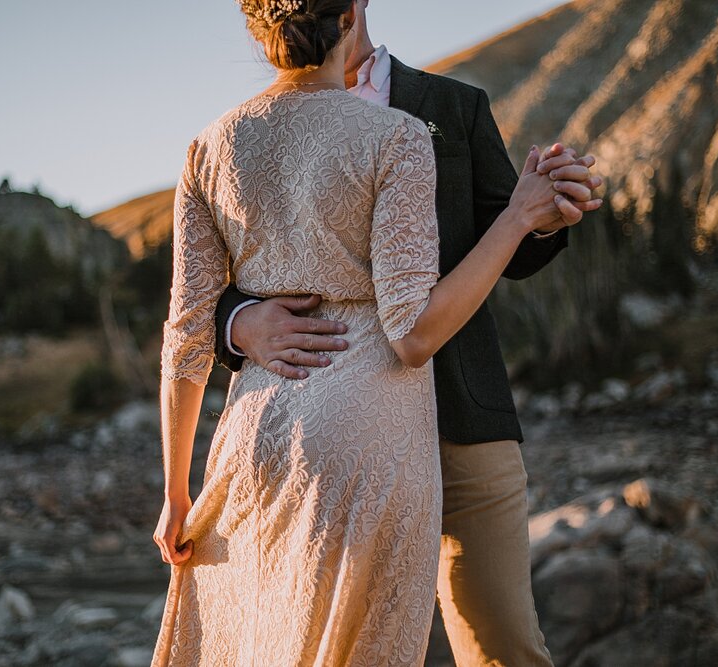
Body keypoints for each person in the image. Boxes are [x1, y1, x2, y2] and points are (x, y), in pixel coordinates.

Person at [152, 1, 601, 666]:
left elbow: (515, 237)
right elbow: (207, 313)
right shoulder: (382, 137)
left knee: (499, 645)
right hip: (357, 431)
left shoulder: (452, 106)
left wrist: (540, 213)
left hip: (450, 417)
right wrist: (241, 321)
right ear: (344, 12)